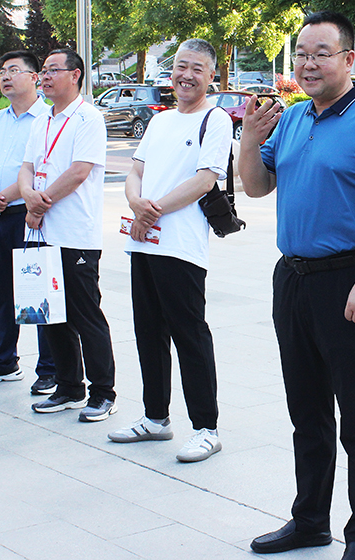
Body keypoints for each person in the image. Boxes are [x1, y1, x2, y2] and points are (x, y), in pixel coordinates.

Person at [239, 11, 355, 560]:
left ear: (348, 59)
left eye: (321, 54)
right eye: (301, 54)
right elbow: (257, 186)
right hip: (293, 278)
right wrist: (249, 141)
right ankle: (310, 520)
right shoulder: (292, 118)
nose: (308, 64)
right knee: (306, 413)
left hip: (347, 280)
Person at [107, 38, 230, 462]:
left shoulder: (215, 120)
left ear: (211, 76)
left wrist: (151, 211)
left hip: (180, 247)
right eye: (180, 66)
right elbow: (135, 172)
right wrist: (136, 204)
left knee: (189, 335)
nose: (186, 75)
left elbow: (205, 180)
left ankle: (206, 428)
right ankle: (155, 418)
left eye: (197, 68)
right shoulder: (160, 121)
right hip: (143, 243)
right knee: (148, 332)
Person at [19, 48, 118, 422]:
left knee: (84, 314)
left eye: (52, 70)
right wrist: (28, 195)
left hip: (75, 234)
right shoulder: (42, 119)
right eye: (43, 70)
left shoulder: (88, 118)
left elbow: (79, 172)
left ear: (75, 75)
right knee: (50, 315)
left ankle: (103, 393)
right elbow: (27, 167)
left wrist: (39, 202)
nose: (44, 77)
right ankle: (68, 387)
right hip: (40, 232)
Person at [0, 50, 56, 394]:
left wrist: (1, 196)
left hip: (28, 217)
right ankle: (4, 360)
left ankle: (49, 368)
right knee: (1, 292)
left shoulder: (47, 118)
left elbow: (39, 170)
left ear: (34, 77)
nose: (5, 76)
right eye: (2, 71)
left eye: (13, 70)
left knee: (37, 294)